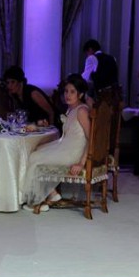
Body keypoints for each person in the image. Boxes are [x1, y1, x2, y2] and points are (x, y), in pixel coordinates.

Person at [21, 74, 91, 211]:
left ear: (81, 94)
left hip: (74, 151)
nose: (67, 95)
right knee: (37, 149)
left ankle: (37, 201)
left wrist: (82, 163)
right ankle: (52, 193)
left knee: (35, 158)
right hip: (67, 145)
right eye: (66, 91)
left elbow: (90, 138)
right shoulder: (71, 109)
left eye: (72, 92)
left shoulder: (81, 110)